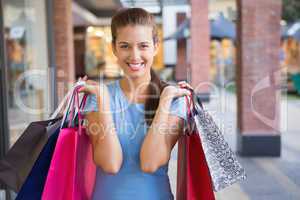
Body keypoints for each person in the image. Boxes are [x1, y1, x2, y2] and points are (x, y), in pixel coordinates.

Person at [78, 7, 193, 200]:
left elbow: (150, 162)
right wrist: (104, 101)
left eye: (143, 45)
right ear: (114, 48)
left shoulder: (173, 100)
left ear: (156, 46)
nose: (134, 55)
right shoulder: (98, 97)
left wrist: (164, 101)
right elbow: (110, 164)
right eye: (125, 46)